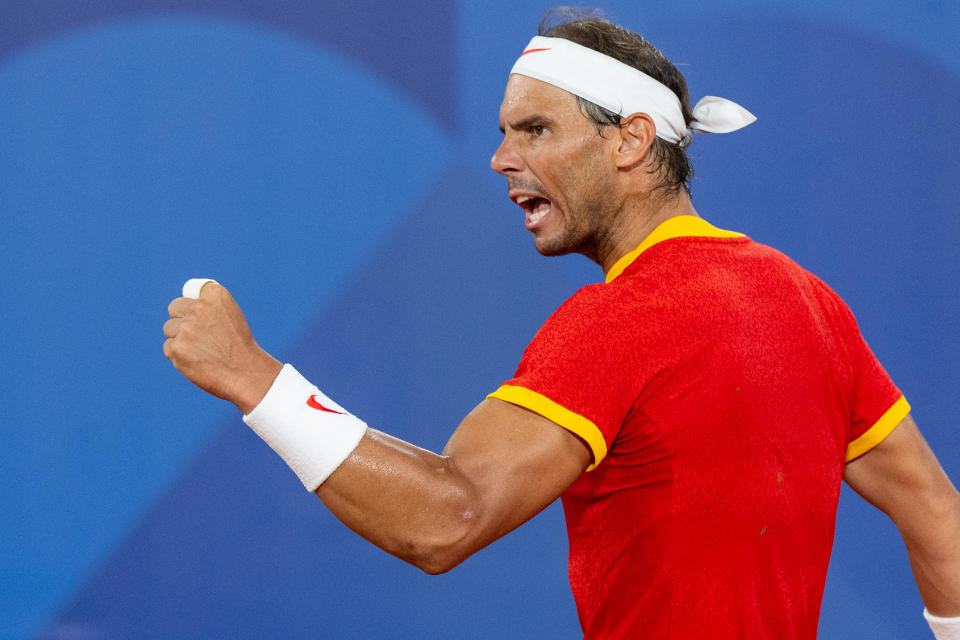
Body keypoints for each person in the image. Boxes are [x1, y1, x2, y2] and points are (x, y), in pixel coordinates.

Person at [162, 9, 960, 639]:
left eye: (535, 130)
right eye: (505, 132)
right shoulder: (809, 302)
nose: (501, 158)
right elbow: (933, 509)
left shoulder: (626, 318)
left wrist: (254, 379)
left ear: (630, 140)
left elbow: (446, 517)